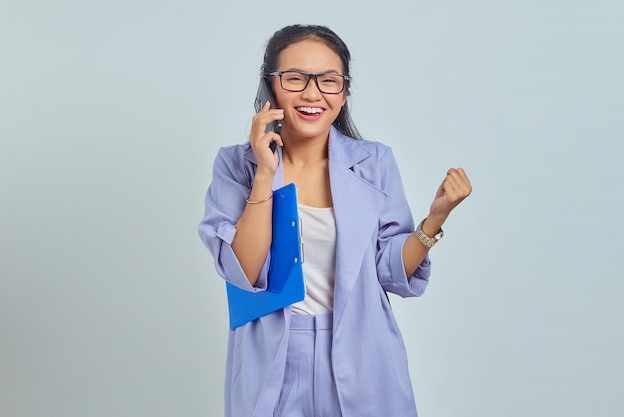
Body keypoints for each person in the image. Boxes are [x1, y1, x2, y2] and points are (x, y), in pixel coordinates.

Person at [198, 24, 472, 417]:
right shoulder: (235, 165)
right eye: (295, 79)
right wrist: (263, 172)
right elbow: (244, 270)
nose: (313, 94)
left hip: (361, 353)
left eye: (329, 81)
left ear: (343, 94)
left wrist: (434, 219)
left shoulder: (374, 163)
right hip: (272, 355)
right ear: (268, 87)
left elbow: (390, 272)